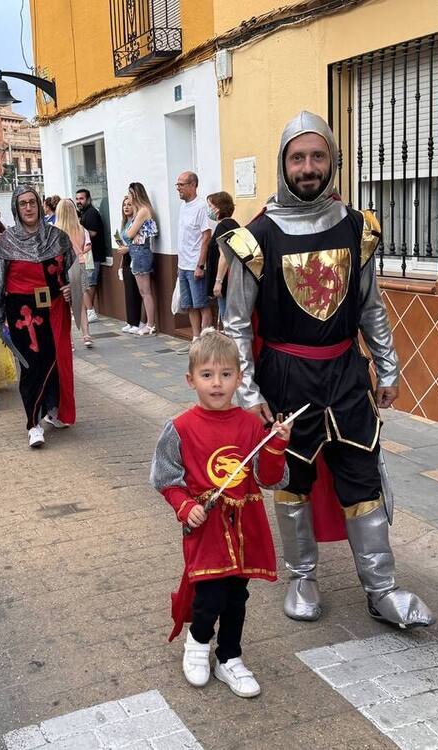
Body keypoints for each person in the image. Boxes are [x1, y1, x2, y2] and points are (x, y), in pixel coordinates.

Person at [222, 111, 434, 629]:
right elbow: (234, 326)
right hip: (287, 377)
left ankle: (382, 588)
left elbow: (370, 307)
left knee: (362, 477)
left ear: (332, 161)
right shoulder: (255, 239)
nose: (308, 167)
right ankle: (302, 577)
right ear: (283, 164)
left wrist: (387, 368)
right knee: (293, 480)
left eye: (318, 156)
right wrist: (249, 395)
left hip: (345, 374)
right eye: (298, 157)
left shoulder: (357, 228)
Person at [150, 330, 292, 699]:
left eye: (226, 374)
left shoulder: (250, 426)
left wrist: (276, 445)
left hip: (245, 526)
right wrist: (185, 506)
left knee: (235, 596)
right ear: (191, 379)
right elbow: (166, 478)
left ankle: (229, 657)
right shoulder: (180, 428)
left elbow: (269, 478)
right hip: (206, 526)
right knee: (209, 594)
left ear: (239, 378)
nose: (217, 383)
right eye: (208, 375)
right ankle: (197, 645)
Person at [0, 186, 75, 448]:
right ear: (16, 208)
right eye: (23, 203)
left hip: (53, 306)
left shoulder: (58, 238)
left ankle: (52, 409)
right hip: (21, 309)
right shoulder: (6, 242)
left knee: (53, 360)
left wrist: (70, 288)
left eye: (32, 202)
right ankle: (33, 423)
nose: (28, 208)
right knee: (31, 364)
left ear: (39, 204)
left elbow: (67, 272)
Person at [175, 172, 212, 340]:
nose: (178, 188)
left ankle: (206, 339)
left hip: (195, 265)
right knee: (189, 305)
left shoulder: (201, 207)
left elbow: (206, 236)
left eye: (181, 184)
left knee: (202, 304)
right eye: (178, 185)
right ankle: (196, 338)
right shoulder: (183, 206)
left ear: (193, 185)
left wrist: (200, 265)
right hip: (183, 264)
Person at [121, 182, 158, 336]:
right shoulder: (139, 211)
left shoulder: (143, 211)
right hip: (136, 252)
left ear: (135, 194)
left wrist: (132, 233)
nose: (128, 197)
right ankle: (147, 322)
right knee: (143, 292)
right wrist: (132, 233)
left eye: (130, 194)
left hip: (141, 253)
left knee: (146, 292)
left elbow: (128, 234)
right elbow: (128, 234)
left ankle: (150, 324)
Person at [55, 198, 93, 347]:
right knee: (80, 304)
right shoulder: (81, 229)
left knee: (65, 305)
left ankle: (69, 341)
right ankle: (86, 335)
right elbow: (87, 245)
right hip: (80, 264)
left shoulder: (55, 230)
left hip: (63, 268)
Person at [205, 192, 240, 325]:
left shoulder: (223, 226)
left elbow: (224, 255)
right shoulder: (232, 224)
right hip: (232, 280)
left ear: (218, 208)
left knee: (227, 321)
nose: (209, 210)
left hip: (226, 282)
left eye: (210, 206)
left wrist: (218, 281)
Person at [75, 188, 105, 322]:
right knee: (87, 283)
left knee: (90, 283)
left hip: (94, 255)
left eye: (81, 199)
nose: (78, 201)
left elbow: (92, 233)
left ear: (88, 199)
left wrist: (79, 234)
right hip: (87, 256)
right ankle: (88, 310)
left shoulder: (92, 213)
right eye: (77, 199)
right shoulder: (83, 213)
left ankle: (89, 311)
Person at [113, 196, 142, 334]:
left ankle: (137, 322)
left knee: (135, 291)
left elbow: (138, 243)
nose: (126, 207)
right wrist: (120, 265)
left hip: (135, 258)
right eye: (124, 204)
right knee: (128, 291)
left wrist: (128, 249)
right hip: (125, 259)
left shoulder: (136, 223)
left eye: (129, 204)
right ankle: (130, 321)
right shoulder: (125, 223)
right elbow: (123, 244)